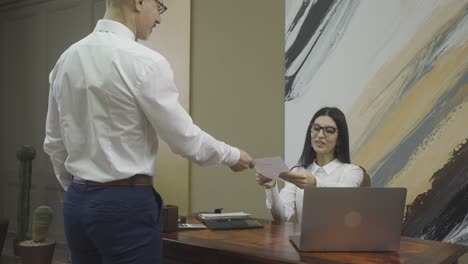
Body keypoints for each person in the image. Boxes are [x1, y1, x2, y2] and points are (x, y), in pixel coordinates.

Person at [43, 0, 254, 263]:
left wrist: (82, 189)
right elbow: (184, 139)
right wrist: (232, 155)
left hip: (76, 203)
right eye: (159, 6)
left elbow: (53, 142)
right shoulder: (145, 61)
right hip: (124, 205)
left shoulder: (66, 59)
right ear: (139, 2)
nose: (159, 18)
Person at [256, 107, 363, 222]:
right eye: (316, 128)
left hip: (340, 238)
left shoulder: (352, 171)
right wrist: (272, 187)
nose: (320, 135)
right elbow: (281, 217)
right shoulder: (298, 171)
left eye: (329, 130)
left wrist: (315, 183)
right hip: (304, 239)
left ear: (340, 139)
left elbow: (344, 194)